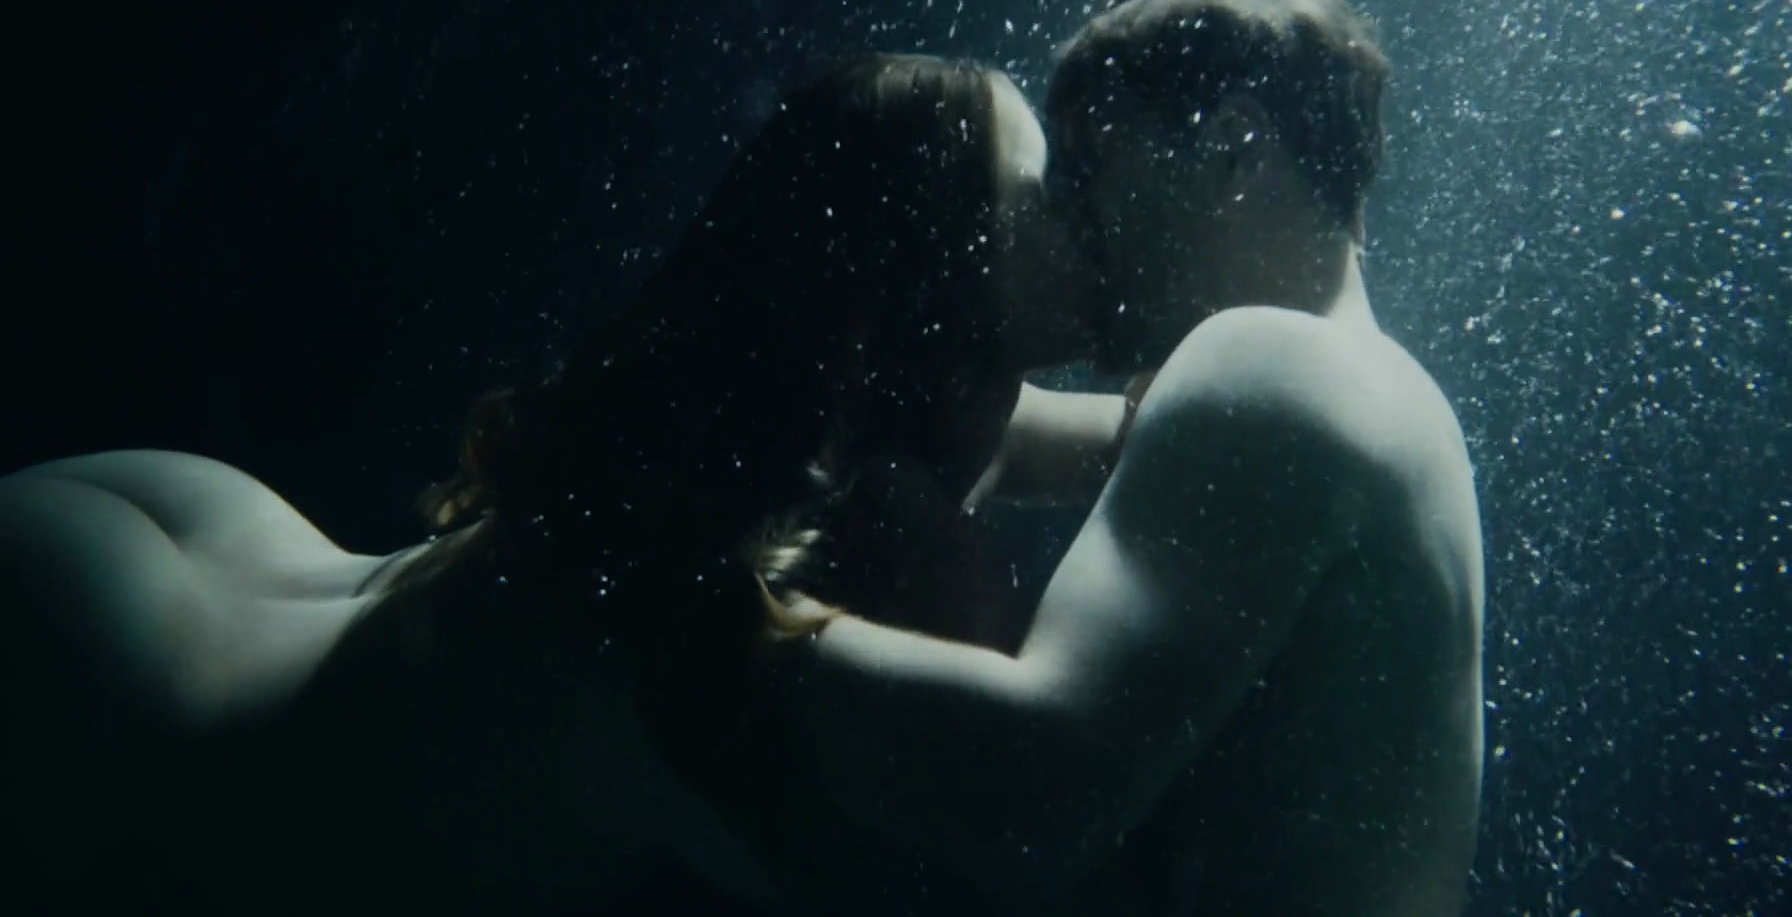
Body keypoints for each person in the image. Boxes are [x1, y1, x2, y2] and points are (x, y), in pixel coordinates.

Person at [0, 54, 1109, 914]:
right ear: (923, 274)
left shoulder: (855, 454)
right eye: (1042, 191)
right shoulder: (704, 628)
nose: (1080, 208)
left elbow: (1139, 421)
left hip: (183, 576)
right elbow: (1062, 773)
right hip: (106, 673)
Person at [768, 0, 1487, 916]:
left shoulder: (1271, 367)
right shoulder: (1369, 392)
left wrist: (732, 623)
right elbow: (1012, 433)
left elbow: (1032, 801)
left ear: (1234, 149)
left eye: (1088, 168)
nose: (1070, 222)